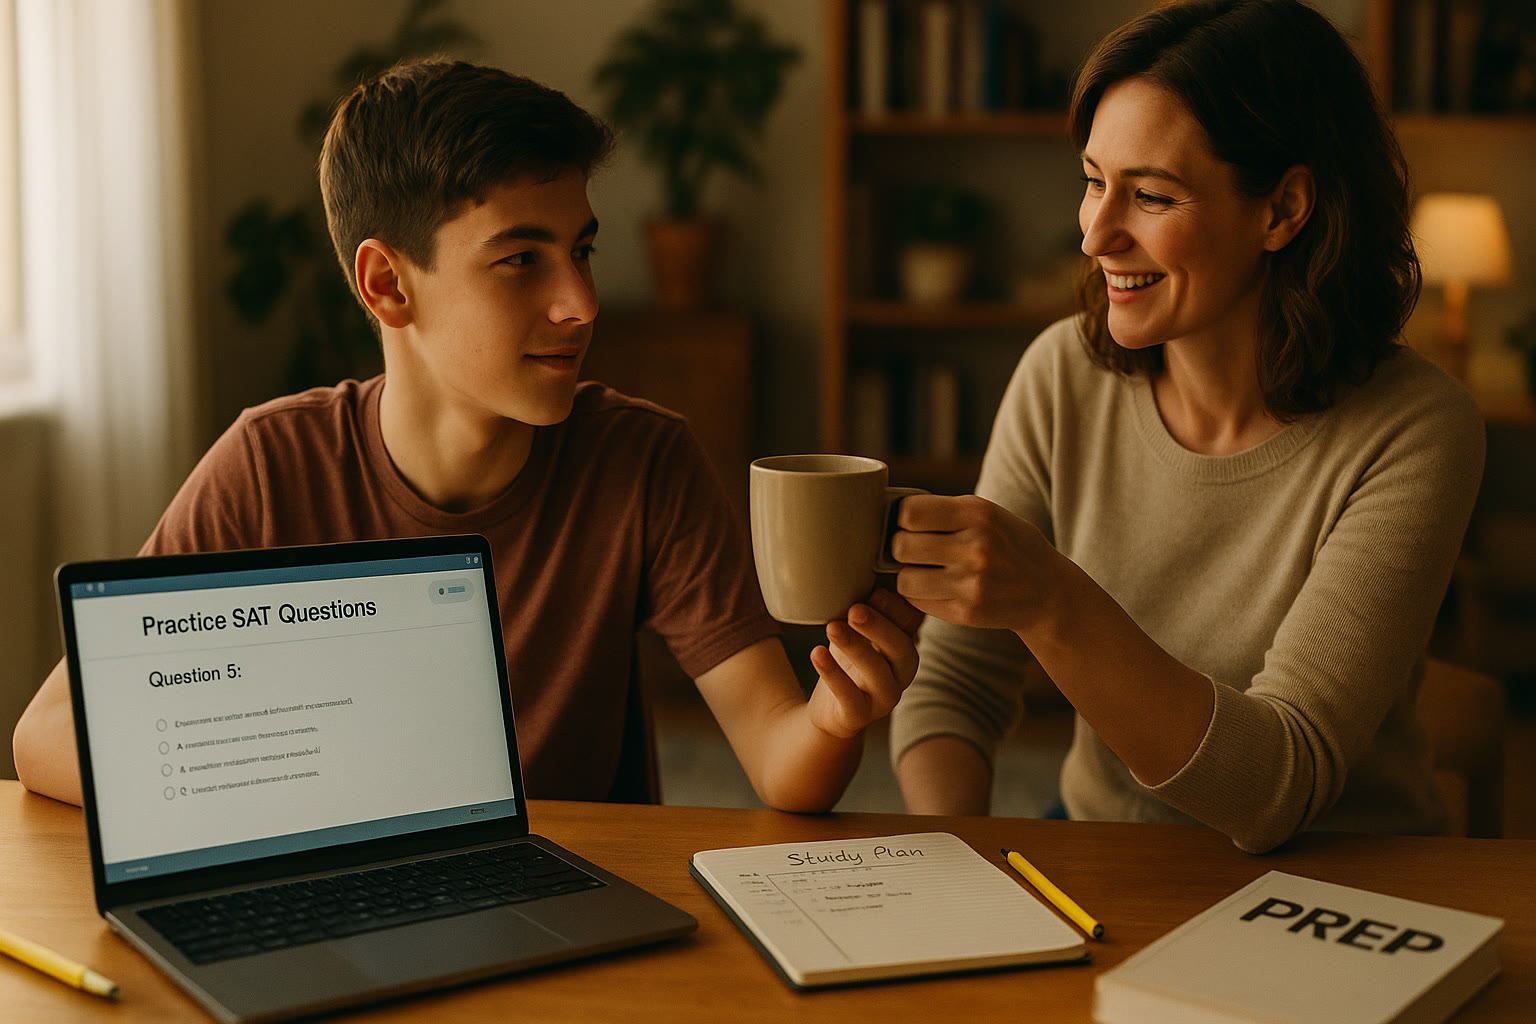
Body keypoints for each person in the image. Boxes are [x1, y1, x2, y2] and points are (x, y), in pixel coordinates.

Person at [13, 58, 921, 811]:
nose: (582, 304)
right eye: (522, 259)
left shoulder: (642, 459)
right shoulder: (270, 464)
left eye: (583, 250)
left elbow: (778, 759)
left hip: (569, 910)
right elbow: (46, 736)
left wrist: (837, 718)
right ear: (386, 286)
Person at [887, 0, 1485, 853]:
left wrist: (1053, 598)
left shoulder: (1416, 428)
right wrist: (958, 874)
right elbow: (954, 685)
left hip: (1342, 885)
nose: (1096, 234)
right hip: (1109, 863)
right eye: (1094, 180)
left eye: (1151, 195)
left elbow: (1281, 785)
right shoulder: (1065, 372)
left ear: (1283, 209)